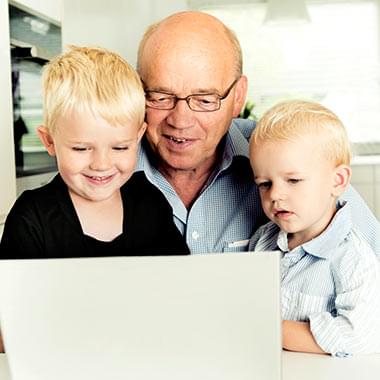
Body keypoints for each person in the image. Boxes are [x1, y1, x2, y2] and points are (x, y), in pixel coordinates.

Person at [135, 10, 380, 255]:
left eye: (205, 100)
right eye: (160, 97)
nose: (180, 120)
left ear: (238, 96)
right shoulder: (105, 168)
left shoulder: (289, 155)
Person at [0, 46, 189, 258]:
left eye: (120, 147)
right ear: (49, 141)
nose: (101, 164)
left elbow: (178, 281)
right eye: (81, 148)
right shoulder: (31, 218)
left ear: (137, 137)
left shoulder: (151, 203)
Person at [248, 100, 380, 356]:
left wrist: (273, 330)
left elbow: (363, 336)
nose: (275, 194)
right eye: (264, 183)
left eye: (293, 180)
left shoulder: (351, 257)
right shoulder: (263, 241)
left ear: (337, 181)